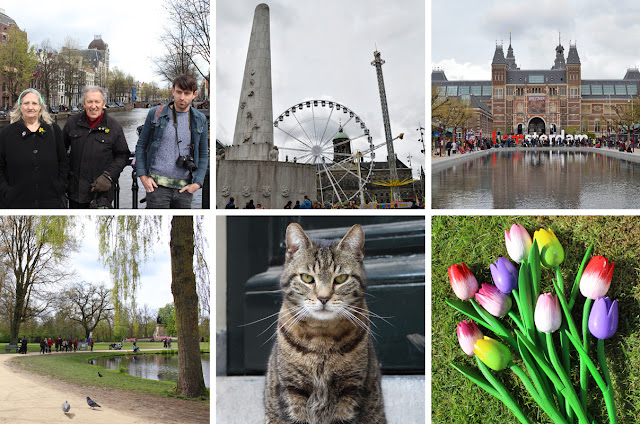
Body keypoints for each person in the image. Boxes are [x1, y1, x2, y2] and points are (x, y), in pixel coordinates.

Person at [136, 74, 208, 208]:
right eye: (179, 92)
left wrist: (197, 183)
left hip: (185, 188)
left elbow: (203, 153)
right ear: (173, 91)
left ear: (194, 94)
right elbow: (141, 145)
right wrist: (143, 176)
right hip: (157, 186)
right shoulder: (155, 114)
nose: (182, 97)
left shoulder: (200, 119)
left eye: (187, 93)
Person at [0, 88, 68, 208]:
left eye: (34, 103)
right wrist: (6, 191)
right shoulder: (7, 134)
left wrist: (59, 186)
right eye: (26, 103)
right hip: (17, 202)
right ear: (20, 106)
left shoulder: (53, 131)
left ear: (40, 107)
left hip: (50, 201)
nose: (30, 107)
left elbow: (63, 161)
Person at [63, 86, 129, 208]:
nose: (93, 106)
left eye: (97, 102)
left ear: (103, 103)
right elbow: (61, 151)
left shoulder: (114, 127)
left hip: (101, 195)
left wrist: (108, 176)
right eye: (89, 102)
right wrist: (67, 177)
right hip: (75, 193)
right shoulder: (72, 123)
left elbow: (123, 155)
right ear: (84, 104)